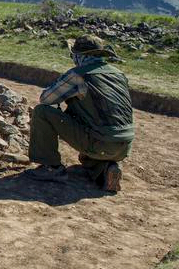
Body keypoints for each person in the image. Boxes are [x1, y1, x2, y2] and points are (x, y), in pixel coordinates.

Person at [27, 35, 134, 192]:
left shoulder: (78, 75)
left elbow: (46, 99)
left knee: (42, 112)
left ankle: (51, 167)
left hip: (99, 141)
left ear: (79, 56)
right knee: (87, 157)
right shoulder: (118, 74)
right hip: (124, 145)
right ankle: (107, 168)